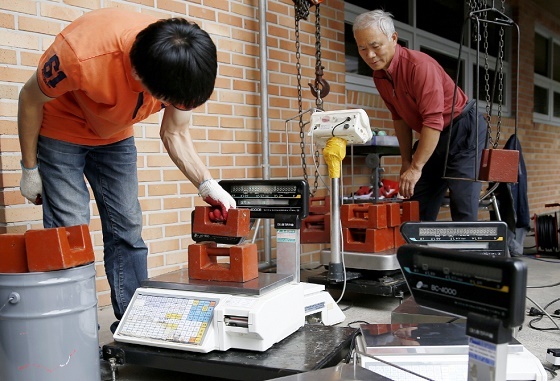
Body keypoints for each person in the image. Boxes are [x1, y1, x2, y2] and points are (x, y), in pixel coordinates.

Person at [17, 8, 236, 331]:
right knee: (71, 231)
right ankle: (75, 330)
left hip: (115, 136)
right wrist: (30, 167)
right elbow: (29, 98)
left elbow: (174, 132)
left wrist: (206, 184)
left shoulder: (181, 67)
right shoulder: (80, 55)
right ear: (136, 74)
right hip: (61, 130)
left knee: (128, 226)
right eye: (165, 100)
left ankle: (137, 321)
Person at [353, 10, 487, 221]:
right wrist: (406, 161)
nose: (369, 55)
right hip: (434, 134)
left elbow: (433, 121)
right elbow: (399, 119)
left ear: (394, 38)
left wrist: (416, 168)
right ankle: (417, 254)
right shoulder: (380, 76)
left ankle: (468, 252)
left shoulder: (420, 66)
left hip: (462, 130)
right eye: (362, 48)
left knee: (462, 205)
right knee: (415, 203)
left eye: (375, 46)